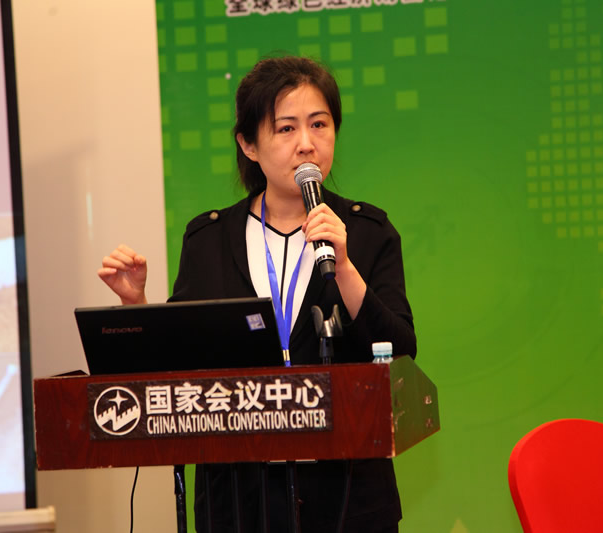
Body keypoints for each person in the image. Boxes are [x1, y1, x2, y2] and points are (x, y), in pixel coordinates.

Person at [99, 55, 416, 533]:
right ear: (249, 144)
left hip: (347, 497)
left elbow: (402, 352)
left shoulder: (368, 231)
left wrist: (345, 268)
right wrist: (135, 305)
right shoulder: (209, 239)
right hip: (237, 499)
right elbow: (175, 370)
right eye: (286, 128)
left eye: (319, 124)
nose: (306, 143)